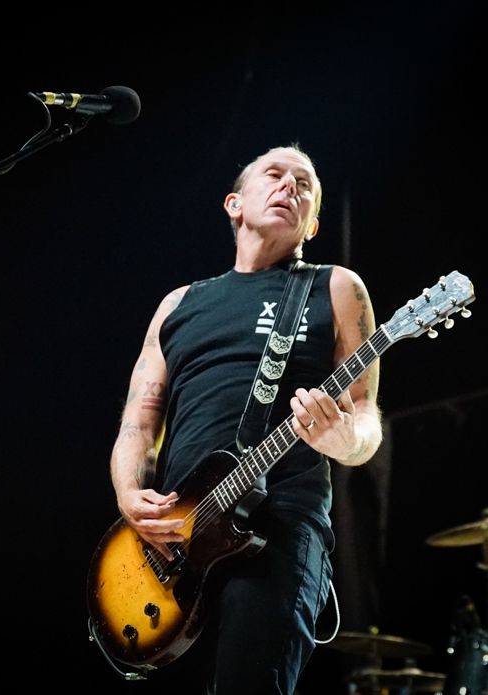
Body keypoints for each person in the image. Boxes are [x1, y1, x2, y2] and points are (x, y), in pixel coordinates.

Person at [109, 145, 383, 694]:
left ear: (312, 224)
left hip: (278, 530)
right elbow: (138, 423)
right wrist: (128, 496)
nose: (290, 186)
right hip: (174, 543)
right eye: (274, 175)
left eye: (305, 185)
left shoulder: (336, 287)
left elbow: (365, 419)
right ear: (234, 204)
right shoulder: (178, 304)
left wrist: (344, 439)